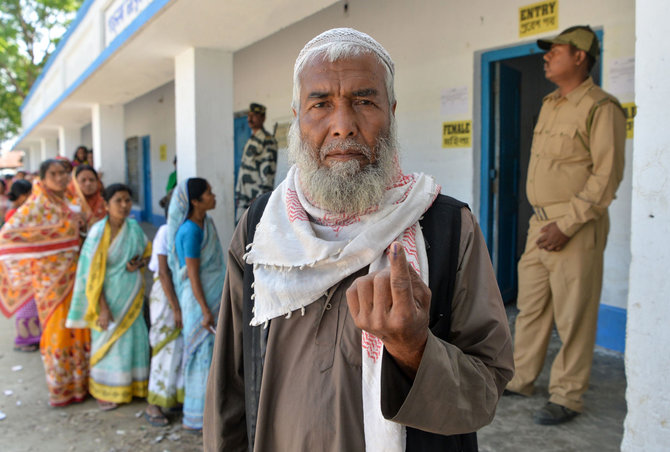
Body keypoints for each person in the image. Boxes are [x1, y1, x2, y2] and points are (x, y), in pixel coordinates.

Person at [204, 28, 513, 451]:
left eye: (364, 102)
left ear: (392, 112)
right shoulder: (263, 228)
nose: (343, 127)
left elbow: (485, 389)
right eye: (321, 104)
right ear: (297, 117)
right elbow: (230, 384)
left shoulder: (446, 226)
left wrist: (414, 350)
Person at [504, 26, 626, 425]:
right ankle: (521, 378)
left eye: (555, 51)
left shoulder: (600, 107)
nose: (546, 57)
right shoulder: (551, 103)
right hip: (539, 224)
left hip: (574, 226)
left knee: (575, 314)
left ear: (579, 57)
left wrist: (567, 224)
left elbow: (606, 178)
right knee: (531, 307)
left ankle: (567, 395)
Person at [0, 159, 90, 407]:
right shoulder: (37, 204)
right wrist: (62, 234)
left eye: (63, 173)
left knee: (77, 330)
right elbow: (7, 236)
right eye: (54, 174)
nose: (61, 178)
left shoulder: (65, 201)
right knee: (56, 334)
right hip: (50, 283)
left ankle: (79, 385)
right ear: (43, 177)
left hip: (73, 276)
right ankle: (60, 389)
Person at [66, 183, 151, 411]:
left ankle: (133, 386)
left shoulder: (133, 228)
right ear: (106, 204)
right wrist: (102, 308)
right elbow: (91, 274)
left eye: (127, 200)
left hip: (131, 296)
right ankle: (106, 391)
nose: (124, 205)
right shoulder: (97, 233)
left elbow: (147, 253)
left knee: (134, 341)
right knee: (109, 344)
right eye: (118, 201)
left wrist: (139, 264)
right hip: (108, 299)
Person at [167, 178, 224, 431]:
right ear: (195, 201)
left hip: (209, 297)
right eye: (209, 193)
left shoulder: (206, 223)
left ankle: (211, 412)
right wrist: (205, 309)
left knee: (211, 355)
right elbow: (192, 274)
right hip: (199, 301)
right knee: (201, 355)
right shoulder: (190, 230)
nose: (214, 196)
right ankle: (198, 416)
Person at [144, 192, 184, 427]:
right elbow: (163, 272)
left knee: (178, 347)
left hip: (178, 295)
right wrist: (176, 307)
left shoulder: (186, 229)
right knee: (164, 347)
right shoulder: (165, 231)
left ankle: (173, 397)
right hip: (166, 297)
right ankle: (154, 403)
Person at [4, 179, 41, 352]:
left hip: (28, 264)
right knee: (26, 303)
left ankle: (33, 337)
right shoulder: (14, 214)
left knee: (30, 303)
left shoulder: (23, 212)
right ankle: (25, 340)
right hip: (21, 265)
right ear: (24, 196)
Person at [234, 102, 278, 222]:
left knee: (254, 234)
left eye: (254, 115)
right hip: (243, 197)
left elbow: (268, 171)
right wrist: (238, 193)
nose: (250, 118)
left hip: (255, 199)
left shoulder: (267, 140)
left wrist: (261, 198)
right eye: (249, 115)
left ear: (263, 117)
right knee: (242, 234)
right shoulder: (251, 140)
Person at [69, 165, 106, 237]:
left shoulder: (106, 204)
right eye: (83, 180)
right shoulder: (71, 205)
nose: (88, 183)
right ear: (75, 183)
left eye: (92, 180)